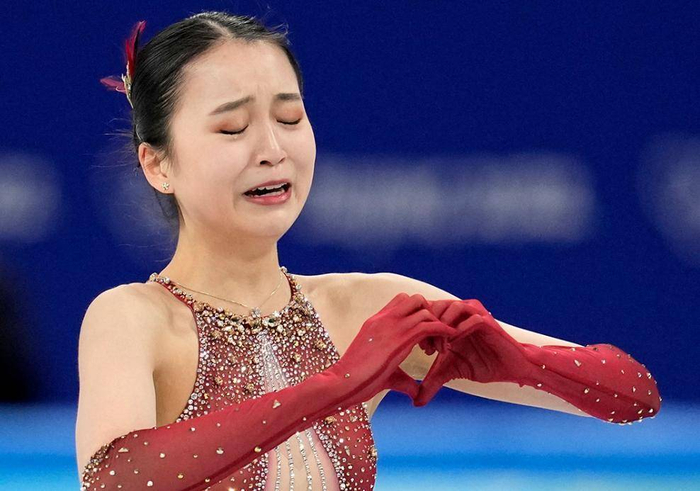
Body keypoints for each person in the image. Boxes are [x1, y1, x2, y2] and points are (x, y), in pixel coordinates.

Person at [76, 11, 662, 491]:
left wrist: (524, 363)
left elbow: (635, 396)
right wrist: (336, 385)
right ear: (157, 164)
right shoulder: (133, 319)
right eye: (233, 129)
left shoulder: (365, 308)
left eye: (290, 117)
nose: (272, 149)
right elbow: (112, 480)